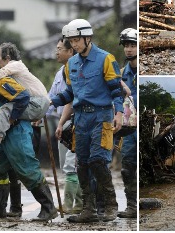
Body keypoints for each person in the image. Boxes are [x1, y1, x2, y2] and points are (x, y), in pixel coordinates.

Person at [0, 42, 58, 221]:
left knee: (26, 168)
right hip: (4, 135)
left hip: (16, 132)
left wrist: (12, 117)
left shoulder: (0, 79)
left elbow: (22, 97)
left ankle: (48, 207)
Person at [51, 19, 125, 223]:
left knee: (98, 162)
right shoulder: (71, 64)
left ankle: (110, 204)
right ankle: (88, 209)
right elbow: (69, 94)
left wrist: (118, 113)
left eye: (76, 40)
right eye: (71, 41)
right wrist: (49, 102)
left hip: (101, 116)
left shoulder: (106, 59)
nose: (73, 44)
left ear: (87, 38)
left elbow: (116, 91)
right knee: (81, 164)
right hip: (81, 118)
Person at [48, 37, 82, 214]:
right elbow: (52, 97)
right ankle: (76, 204)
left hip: (75, 122)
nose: (56, 51)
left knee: (73, 164)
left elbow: (71, 100)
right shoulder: (60, 72)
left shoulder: (78, 71)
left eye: (60, 48)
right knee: (66, 166)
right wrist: (41, 114)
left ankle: (73, 205)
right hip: (64, 123)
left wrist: (61, 122)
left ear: (70, 52)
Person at [117, 28, 138, 218]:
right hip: (129, 129)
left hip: (144, 125)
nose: (129, 50)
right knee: (127, 167)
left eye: (133, 45)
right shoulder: (122, 74)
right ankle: (132, 206)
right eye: (126, 46)